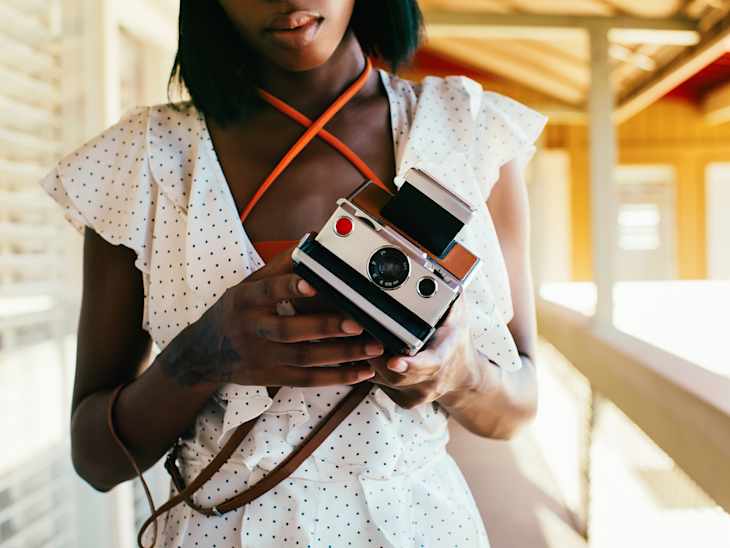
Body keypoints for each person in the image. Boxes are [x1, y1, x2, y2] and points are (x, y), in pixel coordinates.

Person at [38, 1, 547, 546]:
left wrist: (459, 374)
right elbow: (94, 457)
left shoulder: (468, 129)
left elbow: (519, 403)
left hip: (415, 526)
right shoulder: (142, 161)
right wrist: (200, 354)